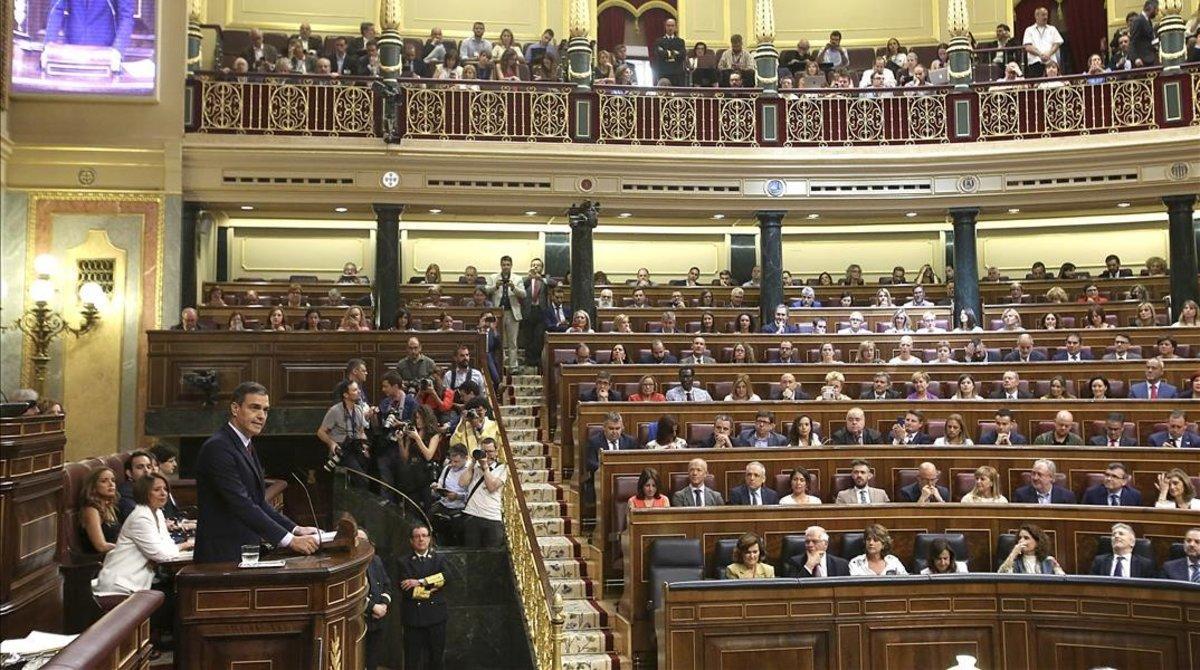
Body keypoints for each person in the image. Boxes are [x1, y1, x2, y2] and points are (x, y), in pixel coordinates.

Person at [194, 382, 320, 562]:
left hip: (243, 553)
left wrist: (295, 529)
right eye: (254, 408)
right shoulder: (218, 447)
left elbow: (258, 501)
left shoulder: (246, 444)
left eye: (265, 410)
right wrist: (290, 541)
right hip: (221, 558)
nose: (261, 416)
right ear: (235, 409)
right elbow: (242, 504)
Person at [93, 473, 192, 596]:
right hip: (121, 584)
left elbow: (167, 544)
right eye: (157, 490)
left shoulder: (158, 513)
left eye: (165, 489)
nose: (163, 493)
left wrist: (174, 548)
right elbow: (160, 555)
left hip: (138, 583)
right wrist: (183, 546)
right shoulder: (141, 517)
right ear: (144, 493)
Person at [397, 524, 448, 670]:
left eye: (424, 536)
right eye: (417, 536)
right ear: (411, 541)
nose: (421, 539)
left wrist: (420, 581)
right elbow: (407, 590)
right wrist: (431, 591)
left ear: (429, 539)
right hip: (414, 619)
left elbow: (446, 577)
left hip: (436, 617)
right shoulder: (403, 561)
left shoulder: (439, 558)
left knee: (436, 659)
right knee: (412, 660)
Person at [458, 437, 506, 547]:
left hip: (492, 517)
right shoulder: (474, 466)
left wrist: (485, 467)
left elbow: (491, 487)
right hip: (472, 515)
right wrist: (473, 463)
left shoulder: (502, 468)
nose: (487, 455)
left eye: (490, 452)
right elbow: (462, 483)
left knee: (491, 556)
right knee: (472, 556)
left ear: (496, 452)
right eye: (484, 452)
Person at [486, 255, 527, 370]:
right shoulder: (493, 277)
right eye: (503, 265)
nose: (505, 267)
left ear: (511, 266)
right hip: (498, 313)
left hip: (512, 312)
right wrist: (495, 286)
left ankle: (513, 366)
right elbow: (486, 290)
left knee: (512, 341)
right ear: (501, 265)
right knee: (500, 341)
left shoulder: (517, 279)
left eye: (508, 265)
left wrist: (514, 288)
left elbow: (524, 294)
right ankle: (501, 365)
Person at [79, 467, 120, 554]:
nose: (111, 484)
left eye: (113, 480)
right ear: (93, 486)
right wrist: (126, 548)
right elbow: (101, 546)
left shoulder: (109, 506)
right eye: (104, 481)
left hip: (116, 554)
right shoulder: (91, 510)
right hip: (101, 560)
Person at [1090, 523, 1156, 578]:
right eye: (1113, 534)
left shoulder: (1144, 564)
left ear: (1132, 542)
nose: (1116, 536)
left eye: (1121, 534)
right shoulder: (1099, 561)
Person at [586, 411, 637, 480]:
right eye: (611, 428)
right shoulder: (594, 442)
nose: (614, 432)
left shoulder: (630, 441)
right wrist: (610, 469)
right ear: (604, 427)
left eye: (617, 428)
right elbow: (590, 464)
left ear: (622, 427)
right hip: (601, 479)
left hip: (624, 478)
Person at [998, 523, 1064, 574]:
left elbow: (1063, 580)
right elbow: (1001, 577)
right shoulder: (1014, 562)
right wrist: (1013, 555)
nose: (1021, 541)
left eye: (1026, 538)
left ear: (1037, 542)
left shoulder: (1049, 561)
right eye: (1019, 538)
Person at [1012, 458, 1077, 504]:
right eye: (1033, 473)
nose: (1035, 478)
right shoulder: (1021, 495)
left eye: (1039, 475)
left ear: (1051, 477)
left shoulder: (1067, 497)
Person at [116, 450, 155, 522]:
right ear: (129, 473)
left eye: (149, 467)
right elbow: (138, 519)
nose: (146, 470)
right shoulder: (125, 493)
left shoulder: (155, 488)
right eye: (140, 467)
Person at [654, 18, 687, 86]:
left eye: (672, 25)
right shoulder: (659, 41)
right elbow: (659, 54)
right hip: (663, 72)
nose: (670, 28)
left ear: (675, 27)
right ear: (665, 27)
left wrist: (666, 53)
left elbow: (682, 55)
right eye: (668, 25)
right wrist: (675, 53)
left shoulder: (680, 41)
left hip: (677, 73)